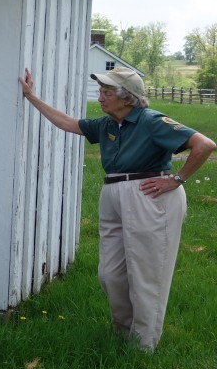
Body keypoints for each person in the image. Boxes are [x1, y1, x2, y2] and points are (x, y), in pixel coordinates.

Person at [20, 67, 215, 350]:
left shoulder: (150, 121)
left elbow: (204, 145)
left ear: (127, 98)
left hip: (147, 196)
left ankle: (143, 346)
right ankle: (123, 333)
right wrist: (31, 97)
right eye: (101, 91)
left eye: (107, 93)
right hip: (112, 193)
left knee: (147, 274)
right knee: (110, 273)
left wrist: (176, 179)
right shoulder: (108, 124)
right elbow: (68, 123)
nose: (100, 97)